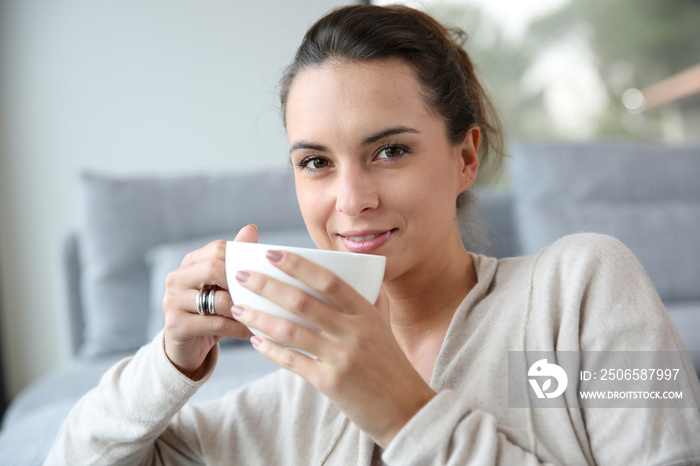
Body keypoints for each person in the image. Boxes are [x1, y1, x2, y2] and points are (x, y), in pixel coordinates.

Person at [46, 4, 700, 465]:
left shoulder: (581, 289)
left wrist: (405, 414)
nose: (351, 200)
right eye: (316, 162)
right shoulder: (286, 403)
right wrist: (169, 361)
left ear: (466, 158)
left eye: (389, 151)